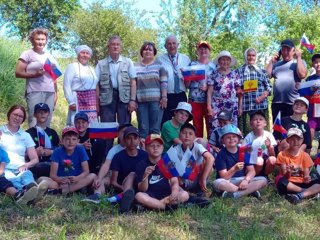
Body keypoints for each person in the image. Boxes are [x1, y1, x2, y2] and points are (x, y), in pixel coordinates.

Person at [95, 35, 137, 153]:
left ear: (121, 47)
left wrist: (132, 100)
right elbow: (96, 84)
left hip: (124, 97)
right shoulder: (101, 63)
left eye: (117, 44)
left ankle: (123, 155)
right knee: (107, 128)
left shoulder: (128, 62)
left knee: (124, 127)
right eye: (113, 44)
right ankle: (106, 157)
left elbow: (133, 81)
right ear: (108, 46)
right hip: (106, 98)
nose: (115, 46)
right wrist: (97, 103)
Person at [0, 105, 48, 199]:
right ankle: (28, 194)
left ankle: (33, 189)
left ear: (23, 120)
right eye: (15, 114)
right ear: (9, 114)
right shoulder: (0, 131)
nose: (17, 118)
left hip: (21, 168)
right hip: (5, 168)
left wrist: (26, 165)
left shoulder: (25, 135)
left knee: (27, 176)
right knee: (14, 180)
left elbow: (35, 159)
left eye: (20, 116)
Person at [15, 28, 59, 127]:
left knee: (47, 119)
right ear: (32, 40)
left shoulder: (50, 56)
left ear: (46, 40)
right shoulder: (27, 54)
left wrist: (56, 93)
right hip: (34, 91)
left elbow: (55, 76)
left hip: (50, 92)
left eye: (43, 39)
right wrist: (34, 75)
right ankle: (34, 142)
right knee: (34, 119)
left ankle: (45, 142)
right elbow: (18, 72)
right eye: (38, 39)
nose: (40, 42)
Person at [135, 134, 189, 210]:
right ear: (146, 148)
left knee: (184, 194)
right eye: (152, 145)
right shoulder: (141, 164)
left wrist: (174, 192)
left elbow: (174, 181)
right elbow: (142, 189)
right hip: (150, 195)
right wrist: (145, 175)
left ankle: (153, 206)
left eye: (158, 145)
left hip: (167, 194)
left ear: (163, 148)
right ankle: (167, 208)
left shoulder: (168, 162)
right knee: (139, 196)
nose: (155, 148)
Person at [213, 124, 268, 198]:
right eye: (228, 137)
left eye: (234, 136)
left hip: (242, 179)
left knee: (263, 180)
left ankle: (236, 194)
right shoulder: (221, 154)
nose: (231, 139)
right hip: (228, 181)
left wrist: (246, 180)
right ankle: (248, 191)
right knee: (217, 183)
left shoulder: (243, 151)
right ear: (223, 141)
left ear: (238, 139)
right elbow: (224, 177)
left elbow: (252, 171)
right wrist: (234, 169)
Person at [82, 124, 132, 203]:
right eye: (123, 132)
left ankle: (120, 198)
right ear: (118, 134)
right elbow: (106, 165)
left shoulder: (138, 148)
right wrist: (99, 178)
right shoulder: (114, 150)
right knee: (100, 180)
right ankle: (97, 196)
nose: (126, 134)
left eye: (128, 132)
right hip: (114, 178)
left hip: (130, 179)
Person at [38, 127, 96, 194]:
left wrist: (77, 178)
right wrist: (59, 180)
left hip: (76, 181)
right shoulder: (57, 151)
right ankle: (63, 190)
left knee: (93, 176)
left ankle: (61, 191)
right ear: (62, 141)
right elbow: (53, 175)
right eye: (67, 139)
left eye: (74, 139)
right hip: (61, 183)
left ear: (78, 141)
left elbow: (86, 171)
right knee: (42, 179)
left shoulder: (80, 149)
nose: (70, 142)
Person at [266, 39, 307, 121]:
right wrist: (271, 61)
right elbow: (266, 76)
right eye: (283, 49)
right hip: (277, 103)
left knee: (292, 131)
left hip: (293, 104)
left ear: (293, 51)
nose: (285, 52)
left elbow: (302, 75)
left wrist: (299, 57)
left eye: (288, 50)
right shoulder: (276, 64)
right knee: (277, 131)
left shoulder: (299, 62)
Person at [276, 128, 320, 204]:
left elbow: (306, 176)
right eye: (292, 139)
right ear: (288, 140)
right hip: (289, 184)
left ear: (302, 140)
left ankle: (299, 196)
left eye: (298, 139)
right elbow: (284, 175)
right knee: (279, 179)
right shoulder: (282, 154)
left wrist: (307, 179)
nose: (295, 142)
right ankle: (309, 192)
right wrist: (289, 171)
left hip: (302, 183)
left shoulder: (305, 155)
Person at [110, 126, 148, 213]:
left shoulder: (145, 155)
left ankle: (132, 201)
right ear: (124, 140)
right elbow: (113, 181)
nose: (132, 142)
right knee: (132, 174)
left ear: (138, 140)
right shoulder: (118, 156)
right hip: (124, 186)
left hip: (140, 186)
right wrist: (124, 189)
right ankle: (127, 199)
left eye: (135, 138)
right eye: (129, 139)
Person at [135, 42, 168, 141]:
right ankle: (144, 153)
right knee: (143, 129)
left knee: (155, 129)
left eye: (150, 49)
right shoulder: (135, 66)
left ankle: (155, 154)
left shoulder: (160, 66)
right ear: (142, 52)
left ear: (154, 52)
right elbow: (133, 84)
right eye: (145, 49)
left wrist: (164, 97)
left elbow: (164, 83)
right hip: (141, 102)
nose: (148, 51)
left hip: (156, 102)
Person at [156, 35, 191, 125]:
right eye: (169, 44)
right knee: (165, 121)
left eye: (174, 43)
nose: (172, 46)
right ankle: (166, 139)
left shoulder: (186, 59)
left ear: (178, 44)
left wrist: (187, 78)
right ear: (165, 46)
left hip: (181, 95)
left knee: (182, 122)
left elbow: (189, 80)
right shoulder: (159, 59)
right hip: (166, 96)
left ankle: (182, 139)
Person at [171, 123, 214, 194]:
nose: (187, 136)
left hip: (198, 179)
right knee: (170, 164)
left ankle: (201, 188)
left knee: (207, 162)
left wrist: (203, 179)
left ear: (194, 137)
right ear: (179, 136)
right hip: (183, 181)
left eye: (190, 134)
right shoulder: (176, 149)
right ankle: (183, 189)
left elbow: (211, 158)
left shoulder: (198, 146)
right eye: (184, 133)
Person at [237, 48, 272, 136]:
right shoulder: (240, 70)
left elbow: (269, 87)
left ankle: (264, 149)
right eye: (249, 55)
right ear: (246, 56)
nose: (251, 57)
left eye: (253, 55)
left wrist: (262, 97)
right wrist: (240, 105)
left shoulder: (261, 70)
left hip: (260, 106)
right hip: (246, 107)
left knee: (262, 133)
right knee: (248, 134)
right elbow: (237, 89)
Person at [185, 41, 216, 138]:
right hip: (195, 100)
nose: (203, 51)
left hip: (209, 101)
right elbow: (187, 84)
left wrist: (208, 88)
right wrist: (186, 78)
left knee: (210, 126)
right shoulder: (192, 64)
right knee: (196, 126)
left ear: (209, 51)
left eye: (205, 48)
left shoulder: (214, 66)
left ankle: (210, 149)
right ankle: (197, 148)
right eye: (201, 49)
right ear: (197, 51)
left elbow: (217, 84)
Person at [63, 45, 99, 125]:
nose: (85, 55)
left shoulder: (91, 69)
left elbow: (96, 85)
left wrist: (97, 103)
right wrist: (71, 102)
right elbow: (66, 85)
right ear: (78, 54)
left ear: (89, 56)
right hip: (78, 100)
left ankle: (91, 138)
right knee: (78, 124)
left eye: (87, 53)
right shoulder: (72, 67)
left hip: (91, 102)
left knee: (92, 125)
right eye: (82, 53)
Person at [207, 50, 242, 131]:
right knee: (216, 128)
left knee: (231, 130)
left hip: (232, 106)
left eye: (227, 60)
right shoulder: (213, 74)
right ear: (219, 61)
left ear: (230, 61)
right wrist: (209, 107)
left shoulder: (235, 74)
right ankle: (214, 144)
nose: (225, 62)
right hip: (216, 106)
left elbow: (239, 92)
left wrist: (240, 106)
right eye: (223, 59)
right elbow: (209, 92)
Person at [26, 103, 60, 179]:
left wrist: (51, 152)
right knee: (39, 167)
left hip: (52, 163)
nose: (42, 114)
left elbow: (60, 149)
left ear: (48, 114)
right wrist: (35, 153)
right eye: (39, 112)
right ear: (35, 114)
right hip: (35, 164)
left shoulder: (52, 132)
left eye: (45, 112)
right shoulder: (28, 133)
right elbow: (23, 152)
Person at [243, 110, 277, 176]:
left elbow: (272, 155)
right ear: (251, 124)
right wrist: (247, 150)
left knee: (272, 159)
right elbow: (243, 152)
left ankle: (265, 175)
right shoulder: (248, 137)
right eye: (255, 119)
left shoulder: (269, 135)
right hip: (252, 162)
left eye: (260, 119)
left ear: (265, 123)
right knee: (259, 161)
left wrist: (269, 146)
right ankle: (253, 176)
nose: (258, 121)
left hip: (265, 160)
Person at [302, 53, 320, 150]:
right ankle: (307, 156)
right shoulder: (309, 79)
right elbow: (304, 94)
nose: (318, 64)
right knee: (310, 132)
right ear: (313, 64)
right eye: (316, 62)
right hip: (312, 111)